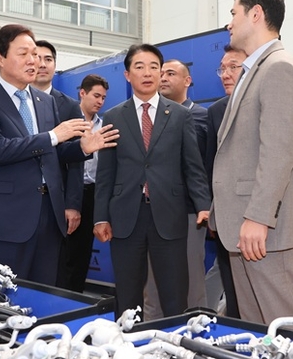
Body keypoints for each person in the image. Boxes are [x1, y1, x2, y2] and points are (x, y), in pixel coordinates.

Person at [0, 24, 119, 285]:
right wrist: (53, 136)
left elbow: (53, 153)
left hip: (50, 216)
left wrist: (82, 148)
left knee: (45, 292)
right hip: (8, 219)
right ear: (0, 58)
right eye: (23, 53)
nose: (33, 61)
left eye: (35, 54)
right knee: (8, 294)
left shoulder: (45, 101)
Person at [209, 0, 293, 328]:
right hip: (244, 227)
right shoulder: (253, 71)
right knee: (259, 332)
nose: (229, 23)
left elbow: (278, 153)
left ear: (255, 14)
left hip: (266, 229)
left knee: (288, 330)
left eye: (234, 13)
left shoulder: (279, 68)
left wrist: (258, 217)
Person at [93, 44, 210, 319]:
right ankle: (128, 339)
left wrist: (203, 204)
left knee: (174, 293)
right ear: (127, 75)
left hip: (169, 214)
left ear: (160, 73)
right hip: (125, 216)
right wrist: (101, 217)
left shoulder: (180, 115)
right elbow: (106, 172)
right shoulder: (113, 116)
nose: (147, 73)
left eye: (154, 67)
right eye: (139, 67)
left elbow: (193, 166)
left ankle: (173, 338)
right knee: (128, 295)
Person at [142, 59, 209, 318]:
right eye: (161, 73)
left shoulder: (203, 116)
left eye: (170, 73)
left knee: (192, 280)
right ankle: (152, 331)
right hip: (154, 210)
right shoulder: (148, 116)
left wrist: (206, 205)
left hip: (190, 212)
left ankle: (194, 331)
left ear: (187, 80)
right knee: (152, 284)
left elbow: (204, 165)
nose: (163, 78)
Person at [205, 44, 247, 318]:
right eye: (222, 69)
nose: (226, 74)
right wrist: (214, 212)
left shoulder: (266, 102)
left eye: (233, 67)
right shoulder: (216, 111)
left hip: (261, 218)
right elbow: (212, 166)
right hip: (225, 218)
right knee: (232, 293)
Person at [59, 74, 109, 292]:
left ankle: (77, 297)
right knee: (65, 254)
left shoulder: (104, 126)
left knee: (83, 253)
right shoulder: (68, 124)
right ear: (82, 93)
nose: (100, 101)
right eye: (96, 96)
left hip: (93, 194)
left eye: (103, 98)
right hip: (69, 193)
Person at [33, 40, 84, 239]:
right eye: (37, 58)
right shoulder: (15, 102)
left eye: (48, 59)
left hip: (56, 198)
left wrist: (72, 204)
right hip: (20, 197)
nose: (42, 64)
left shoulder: (70, 106)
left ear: (55, 65)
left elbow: (76, 160)